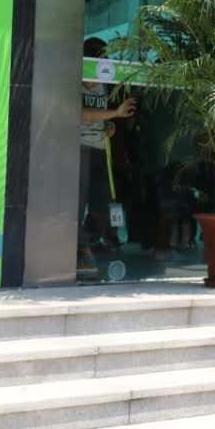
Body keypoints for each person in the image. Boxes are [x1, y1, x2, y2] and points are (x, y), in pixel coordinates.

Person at [79, 38, 137, 275]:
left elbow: (102, 117)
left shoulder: (104, 85)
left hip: (100, 148)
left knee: (102, 204)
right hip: (78, 147)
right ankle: (80, 252)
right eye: (98, 59)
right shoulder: (74, 80)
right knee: (78, 203)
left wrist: (110, 125)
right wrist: (114, 114)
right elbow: (81, 114)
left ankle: (89, 242)